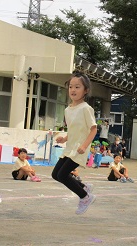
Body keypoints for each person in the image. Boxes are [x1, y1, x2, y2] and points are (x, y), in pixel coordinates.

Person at [52, 72, 97, 215]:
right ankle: (84, 187)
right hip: (70, 147)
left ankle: (85, 197)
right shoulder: (67, 110)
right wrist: (64, 139)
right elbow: (74, 129)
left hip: (79, 149)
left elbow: (93, 129)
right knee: (55, 174)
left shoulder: (86, 108)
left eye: (77, 87)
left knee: (63, 175)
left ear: (86, 90)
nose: (73, 90)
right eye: (71, 86)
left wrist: (84, 146)